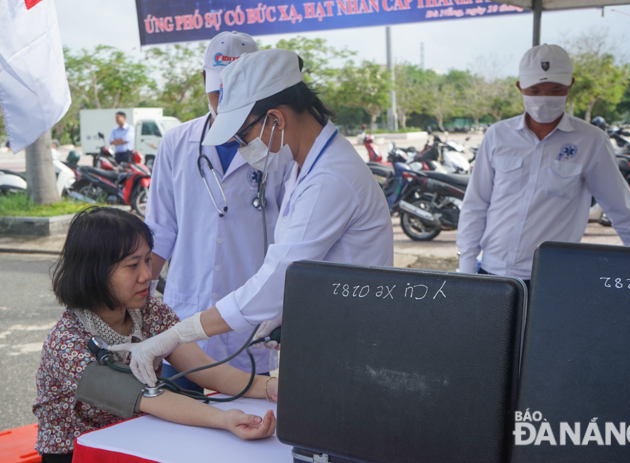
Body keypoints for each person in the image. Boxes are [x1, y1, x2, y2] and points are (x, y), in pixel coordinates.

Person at [111, 48, 394, 386]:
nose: (242, 147)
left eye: (243, 135)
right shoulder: (305, 167)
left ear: (275, 119)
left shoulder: (329, 179)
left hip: (347, 346)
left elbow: (278, 280)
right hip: (326, 335)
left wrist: (176, 334)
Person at [33, 207, 278, 463]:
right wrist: (224, 419)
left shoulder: (151, 312)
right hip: (78, 452)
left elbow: (205, 369)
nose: (148, 275)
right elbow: (147, 397)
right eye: (132, 265)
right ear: (94, 272)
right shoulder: (67, 342)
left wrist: (270, 387)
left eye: (148, 260)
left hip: (137, 436)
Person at [146, 31, 288, 392]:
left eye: (238, 90)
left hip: (249, 318)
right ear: (202, 80)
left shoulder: (281, 151)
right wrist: (138, 302)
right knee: (180, 424)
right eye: (217, 90)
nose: (226, 102)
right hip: (186, 311)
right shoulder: (177, 143)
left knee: (244, 416)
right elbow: (161, 229)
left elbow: (292, 242)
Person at [456, 44, 630, 285]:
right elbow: (476, 205)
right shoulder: (498, 135)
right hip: (493, 274)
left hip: (553, 279)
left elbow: (622, 210)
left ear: (570, 85)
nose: (544, 98)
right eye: (535, 90)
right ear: (520, 87)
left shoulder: (591, 141)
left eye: (555, 89)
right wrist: (466, 270)